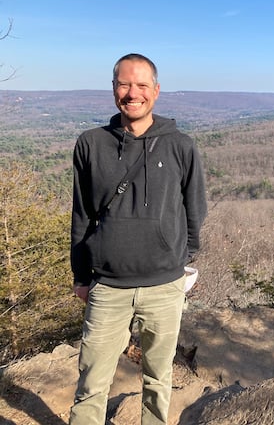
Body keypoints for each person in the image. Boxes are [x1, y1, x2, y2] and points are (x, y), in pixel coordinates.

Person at [69, 53, 207, 424]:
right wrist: (81, 277)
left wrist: (179, 261)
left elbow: (195, 212)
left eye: (142, 85)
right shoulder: (91, 144)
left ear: (156, 91)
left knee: (158, 380)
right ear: (113, 89)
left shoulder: (180, 145)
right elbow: (82, 215)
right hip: (108, 286)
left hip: (164, 286)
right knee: (92, 382)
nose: (133, 93)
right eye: (125, 84)